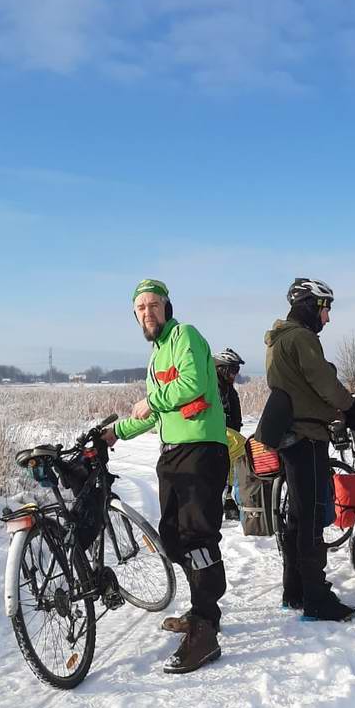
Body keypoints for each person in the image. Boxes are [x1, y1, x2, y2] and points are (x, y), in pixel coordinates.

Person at [103, 279, 229, 674]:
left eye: (153, 305)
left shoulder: (185, 337)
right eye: (140, 308)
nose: (147, 313)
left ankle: (206, 630)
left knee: (197, 538)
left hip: (202, 450)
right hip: (172, 453)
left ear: (167, 306)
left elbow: (190, 386)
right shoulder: (156, 356)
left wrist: (151, 400)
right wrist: (117, 432)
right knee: (175, 538)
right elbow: (156, 414)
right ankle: (201, 611)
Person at [264, 278, 355, 622]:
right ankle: (316, 598)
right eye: (325, 309)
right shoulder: (301, 338)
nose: (327, 319)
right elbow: (323, 383)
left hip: (289, 437)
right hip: (307, 435)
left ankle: (294, 590)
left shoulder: (278, 340)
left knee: (297, 517)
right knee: (311, 519)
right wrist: (353, 408)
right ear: (310, 306)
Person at [213, 348, 245, 520]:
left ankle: (229, 499)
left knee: (235, 459)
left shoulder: (228, 389)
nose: (235, 374)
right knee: (241, 447)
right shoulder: (211, 386)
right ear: (221, 369)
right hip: (213, 432)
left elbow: (235, 414)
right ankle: (229, 498)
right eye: (233, 370)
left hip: (227, 432)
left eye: (237, 370)